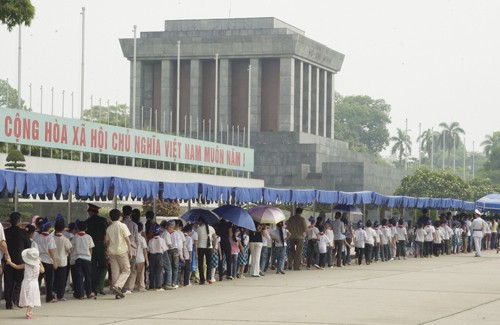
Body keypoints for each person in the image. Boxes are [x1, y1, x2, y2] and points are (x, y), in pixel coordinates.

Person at [6, 248, 45, 319]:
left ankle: (29, 311)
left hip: (26, 282)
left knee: (27, 297)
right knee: (32, 298)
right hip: (34, 283)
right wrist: (40, 262)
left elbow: (16, 266)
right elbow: (43, 271)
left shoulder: (25, 265)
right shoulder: (38, 266)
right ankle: (28, 311)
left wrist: (10, 262)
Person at [4, 212, 32, 310]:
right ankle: (17, 299)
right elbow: (28, 246)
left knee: (8, 281)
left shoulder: (5, 232)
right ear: (19, 221)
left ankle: (8, 303)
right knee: (20, 281)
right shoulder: (23, 232)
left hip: (8, 260)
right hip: (20, 261)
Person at [105, 209, 131, 299]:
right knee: (126, 270)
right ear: (119, 216)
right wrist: (130, 251)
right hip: (122, 251)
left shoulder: (109, 228)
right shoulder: (122, 226)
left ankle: (117, 292)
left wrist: (107, 249)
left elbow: (107, 241)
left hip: (112, 252)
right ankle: (117, 286)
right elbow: (127, 239)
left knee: (115, 272)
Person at [33, 217, 58, 303]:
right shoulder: (50, 238)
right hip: (48, 262)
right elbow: (51, 250)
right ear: (48, 228)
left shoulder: (36, 236)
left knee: (37, 280)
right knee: (49, 281)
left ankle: (35, 297)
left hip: (39, 261)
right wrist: (54, 261)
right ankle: (49, 298)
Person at [85, 203, 108, 296]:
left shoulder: (87, 222)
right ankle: (100, 287)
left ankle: (93, 289)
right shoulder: (103, 220)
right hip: (100, 245)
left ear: (91, 212)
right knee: (103, 266)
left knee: (92, 267)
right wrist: (106, 246)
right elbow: (105, 235)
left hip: (91, 246)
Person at [71, 220, 95, 299]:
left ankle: (81, 294)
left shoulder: (75, 237)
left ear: (77, 228)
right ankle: (89, 292)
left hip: (78, 259)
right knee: (88, 276)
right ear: (86, 228)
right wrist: (90, 256)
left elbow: (72, 248)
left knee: (79, 277)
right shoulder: (88, 237)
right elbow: (90, 249)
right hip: (87, 259)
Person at [53, 215, 72, 302]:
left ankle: (53, 294)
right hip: (63, 262)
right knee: (62, 279)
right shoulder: (65, 239)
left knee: (54, 278)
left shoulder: (51, 238)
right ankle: (60, 296)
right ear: (64, 228)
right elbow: (69, 250)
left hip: (53, 261)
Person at [121, 205, 139, 295]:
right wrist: (137, 250)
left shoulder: (120, 224)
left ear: (122, 213)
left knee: (122, 269)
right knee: (130, 270)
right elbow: (136, 239)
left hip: (122, 249)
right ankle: (126, 287)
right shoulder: (134, 225)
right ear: (131, 213)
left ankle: (121, 286)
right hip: (132, 249)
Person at [126, 222, 148, 292]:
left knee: (133, 273)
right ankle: (141, 287)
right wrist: (146, 259)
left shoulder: (131, 239)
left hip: (133, 257)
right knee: (141, 274)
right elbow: (145, 250)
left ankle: (130, 287)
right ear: (141, 230)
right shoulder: (142, 238)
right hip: (141, 259)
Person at [195, 216, 216, 285]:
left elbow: (195, 240)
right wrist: (213, 248)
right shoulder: (211, 228)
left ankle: (202, 279)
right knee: (209, 263)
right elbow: (215, 238)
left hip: (200, 247)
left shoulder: (198, 229)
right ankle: (208, 278)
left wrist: (196, 252)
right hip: (209, 247)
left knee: (200, 264)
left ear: (201, 221)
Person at [147, 224, 167, 291]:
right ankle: (158, 286)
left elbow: (148, 250)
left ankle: (151, 286)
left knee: (152, 271)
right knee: (159, 271)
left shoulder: (150, 240)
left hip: (152, 256)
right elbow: (164, 249)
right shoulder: (162, 240)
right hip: (159, 256)